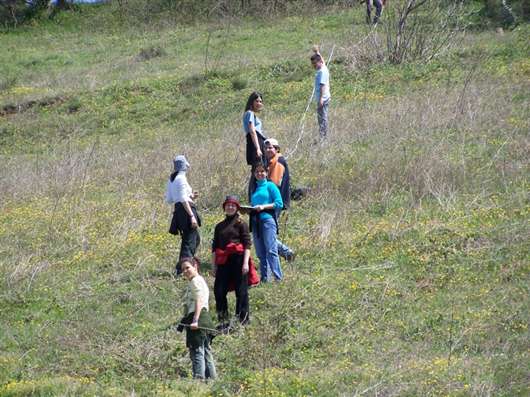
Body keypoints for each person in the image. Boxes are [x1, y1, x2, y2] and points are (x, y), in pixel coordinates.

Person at [212, 195, 254, 329]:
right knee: (219, 290)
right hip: (223, 261)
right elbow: (215, 247)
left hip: (239, 259)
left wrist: (245, 263)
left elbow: (247, 244)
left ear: (237, 208)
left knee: (241, 291)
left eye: (233, 205)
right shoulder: (219, 226)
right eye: (228, 205)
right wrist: (214, 266)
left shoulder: (241, 224)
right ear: (224, 207)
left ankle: (242, 320)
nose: (230, 207)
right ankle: (223, 318)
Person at [179, 258, 217, 380]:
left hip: (198, 318)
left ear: (195, 266)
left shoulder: (195, 281)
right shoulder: (199, 281)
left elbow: (199, 300)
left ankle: (199, 381)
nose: (185, 271)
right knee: (206, 351)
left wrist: (195, 320)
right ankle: (212, 380)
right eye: (183, 269)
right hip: (203, 317)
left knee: (197, 351)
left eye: (187, 267)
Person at [166, 155, 201, 275]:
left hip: (179, 211)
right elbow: (182, 198)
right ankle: (182, 269)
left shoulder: (172, 179)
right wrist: (191, 216)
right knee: (189, 241)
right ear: (184, 165)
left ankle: (185, 265)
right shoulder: (180, 179)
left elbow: (170, 199)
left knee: (194, 239)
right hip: (186, 212)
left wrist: (191, 196)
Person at [250, 163, 283, 282]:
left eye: (262, 171)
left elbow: (279, 203)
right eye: (257, 172)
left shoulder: (270, 186)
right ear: (254, 174)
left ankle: (278, 278)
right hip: (255, 222)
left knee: (271, 250)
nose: (259, 174)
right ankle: (265, 278)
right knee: (260, 252)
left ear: (266, 172)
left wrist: (263, 207)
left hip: (267, 220)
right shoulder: (254, 188)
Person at [264, 138, 295, 262]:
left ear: (277, 149)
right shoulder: (272, 161)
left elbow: (274, 184)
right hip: (273, 203)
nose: (267, 150)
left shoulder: (278, 162)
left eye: (270, 147)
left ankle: (287, 253)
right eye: (266, 148)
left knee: (267, 233)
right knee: (266, 233)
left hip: (273, 203)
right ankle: (287, 254)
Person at [243, 91, 267, 199]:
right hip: (255, 144)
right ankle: (253, 195)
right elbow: (252, 131)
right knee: (257, 170)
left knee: (259, 169)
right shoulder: (249, 113)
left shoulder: (251, 114)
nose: (259, 103)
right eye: (257, 101)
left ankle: (257, 194)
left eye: (261, 101)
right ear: (251, 101)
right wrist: (258, 148)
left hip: (258, 142)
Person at [311, 51, 331, 140]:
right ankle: (323, 136)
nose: (314, 65)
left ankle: (324, 138)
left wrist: (321, 99)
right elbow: (323, 61)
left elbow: (322, 86)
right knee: (321, 118)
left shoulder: (322, 72)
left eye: (315, 63)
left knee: (322, 119)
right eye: (312, 64)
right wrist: (317, 52)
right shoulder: (324, 67)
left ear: (319, 62)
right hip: (324, 98)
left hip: (323, 99)